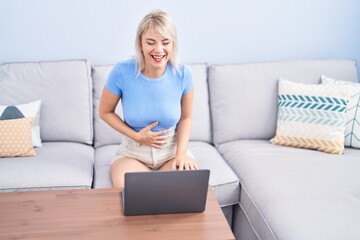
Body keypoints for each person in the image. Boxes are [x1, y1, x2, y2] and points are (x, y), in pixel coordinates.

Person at [99, 9, 198, 189]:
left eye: (165, 42)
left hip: (172, 151)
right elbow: (105, 112)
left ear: (173, 44)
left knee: (185, 190)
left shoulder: (184, 74)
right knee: (131, 192)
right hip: (132, 152)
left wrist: (181, 154)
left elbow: (186, 117)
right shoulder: (122, 71)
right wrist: (137, 136)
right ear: (140, 44)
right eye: (150, 42)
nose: (158, 50)